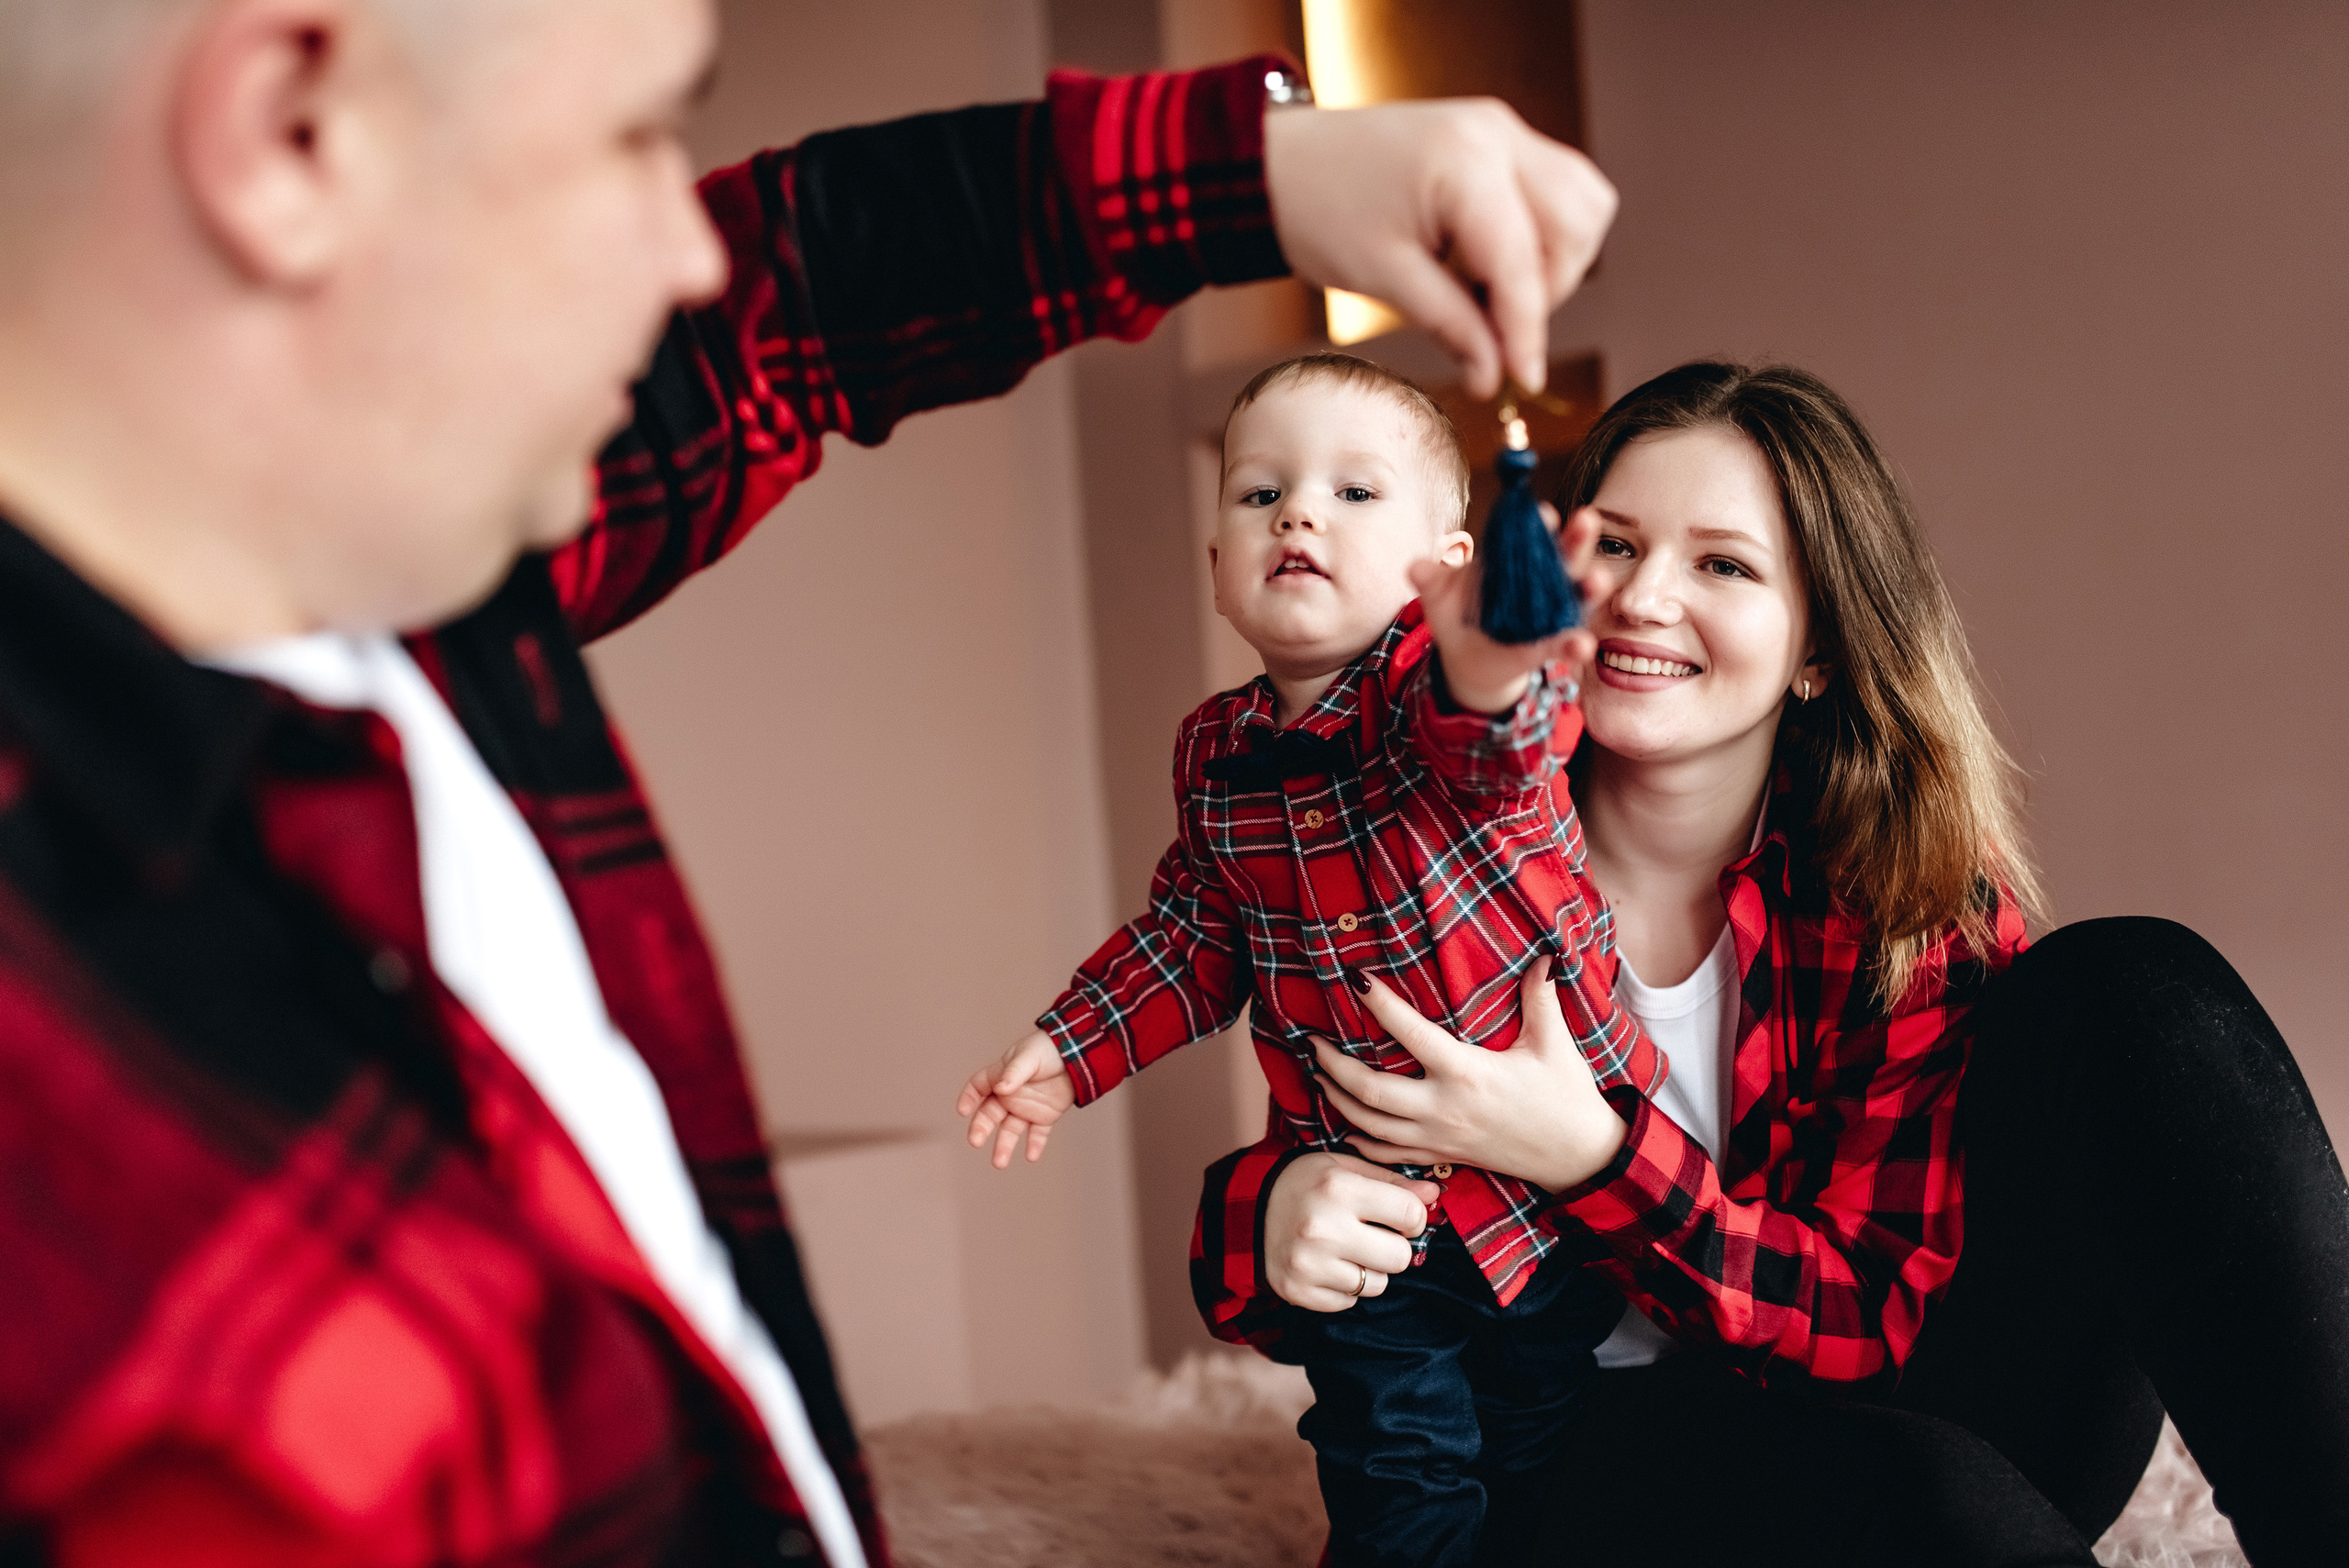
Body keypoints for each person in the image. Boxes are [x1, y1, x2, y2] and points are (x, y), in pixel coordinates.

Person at [0, 0, 1621, 1562]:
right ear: (288, 134)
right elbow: (1185, 938)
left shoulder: (430, 608)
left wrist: (1272, 173)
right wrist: (1070, 1052)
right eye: (631, 139)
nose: (687, 246)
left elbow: (800, 301)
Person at [1197, 362, 2349, 1566]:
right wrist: (1271, 1212)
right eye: (1616, 546)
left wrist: (1592, 1156)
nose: (1643, 598)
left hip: (1902, 1397)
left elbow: (1870, 1322)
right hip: (1571, 1454)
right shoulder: (1412, 855)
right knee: (1912, 1490)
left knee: (2132, 986)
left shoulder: (1899, 900)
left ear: (1818, 651)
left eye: (1724, 564)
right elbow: (1273, 1217)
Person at [957, 351, 1658, 1567]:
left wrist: (1489, 653)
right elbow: (1190, 938)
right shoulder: (1214, 753)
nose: (1298, 512)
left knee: (1548, 1452)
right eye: (1259, 492)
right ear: (1219, 570)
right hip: (1365, 1211)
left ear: (1440, 567)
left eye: (1354, 493)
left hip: (1539, 1207)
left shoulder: (1432, 703)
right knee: (1396, 1464)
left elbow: (1497, 743)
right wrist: (1067, 1050)